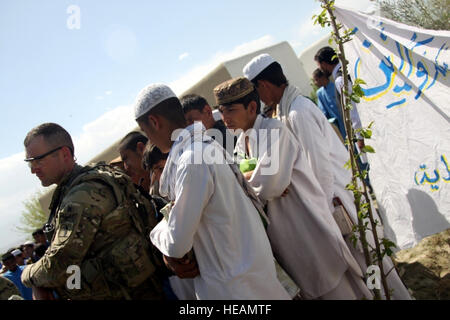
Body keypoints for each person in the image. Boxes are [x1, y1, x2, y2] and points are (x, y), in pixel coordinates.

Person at [215, 77, 372, 300]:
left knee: (342, 292)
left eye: (230, 110)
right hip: (288, 241)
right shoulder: (242, 143)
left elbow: (268, 187)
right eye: (221, 111)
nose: (224, 118)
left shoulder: (274, 131)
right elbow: (254, 187)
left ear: (251, 107)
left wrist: (248, 180)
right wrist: (252, 178)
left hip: (309, 230)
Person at [134, 83, 290, 300]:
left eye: (146, 131)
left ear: (154, 122)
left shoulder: (192, 159)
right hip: (246, 277)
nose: (149, 138)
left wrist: (156, 233)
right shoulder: (204, 147)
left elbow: (177, 244)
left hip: (235, 289)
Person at [21, 122, 165, 300]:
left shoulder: (81, 196)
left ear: (64, 153)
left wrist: (27, 275)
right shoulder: (87, 182)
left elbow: (57, 265)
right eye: (30, 163)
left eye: (38, 160)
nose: (34, 169)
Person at [312, 68, 345, 141]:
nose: (315, 83)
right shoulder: (320, 93)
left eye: (316, 79)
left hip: (346, 121)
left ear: (323, 77)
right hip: (336, 127)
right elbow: (323, 112)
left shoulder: (336, 86)